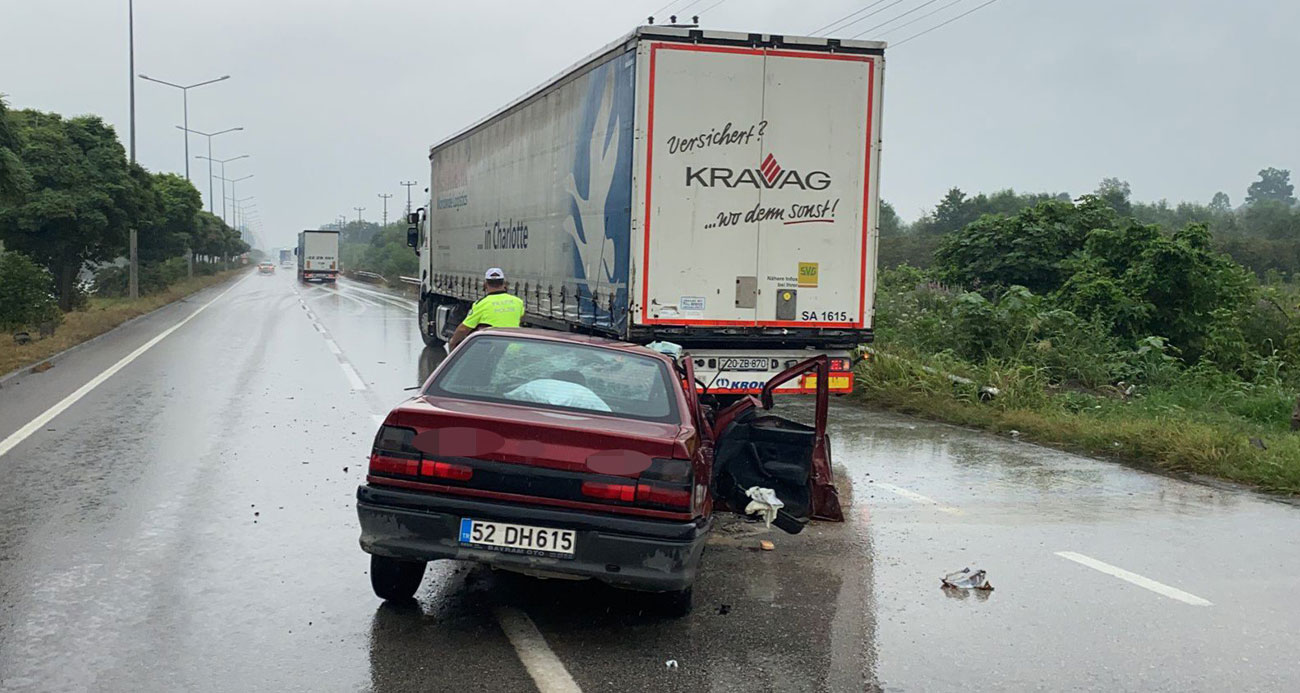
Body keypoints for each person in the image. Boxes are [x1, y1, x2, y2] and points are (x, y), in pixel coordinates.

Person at [448, 267, 525, 350]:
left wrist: (453, 342)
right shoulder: (518, 302)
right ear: (504, 284)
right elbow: (519, 319)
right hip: (514, 348)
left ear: (485, 284)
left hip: (493, 350)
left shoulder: (481, 304)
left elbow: (464, 328)